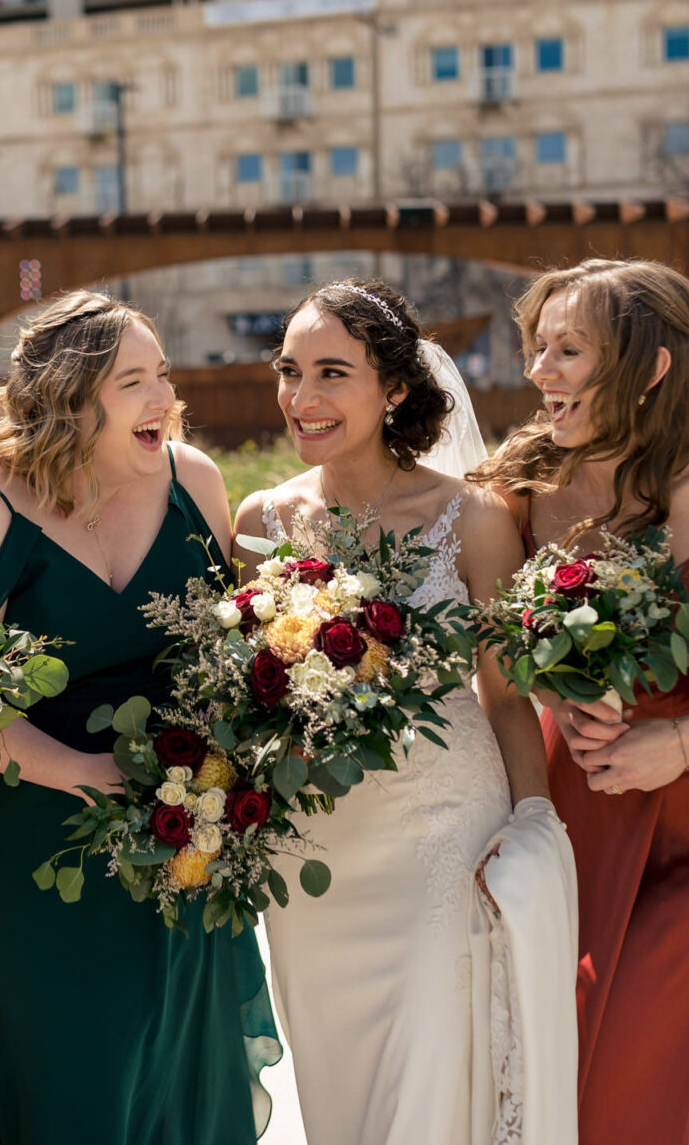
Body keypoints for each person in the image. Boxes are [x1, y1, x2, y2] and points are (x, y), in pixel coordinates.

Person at [0, 290, 280, 1145]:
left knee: (183, 1051)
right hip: (39, 836)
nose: (163, 401)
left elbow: (222, 649)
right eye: (132, 383)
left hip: (176, 817)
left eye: (163, 376)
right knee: (75, 1062)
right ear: (73, 400)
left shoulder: (194, 479)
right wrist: (75, 769)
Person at [473, 258, 689, 1144]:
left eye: (568, 350)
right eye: (538, 349)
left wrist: (688, 740)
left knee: (641, 1076)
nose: (540, 372)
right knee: (561, 1067)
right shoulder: (515, 489)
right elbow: (500, 667)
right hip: (568, 804)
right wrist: (559, 688)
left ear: (651, 368)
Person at [236, 279, 579, 1145]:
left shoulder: (474, 517)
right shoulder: (262, 518)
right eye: (289, 370)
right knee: (343, 1098)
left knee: (431, 1079)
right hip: (314, 851)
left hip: (441, 837)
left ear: (394, 388)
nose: (301, 398)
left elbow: (506, 692)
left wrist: (533, 822)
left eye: (331, 373)